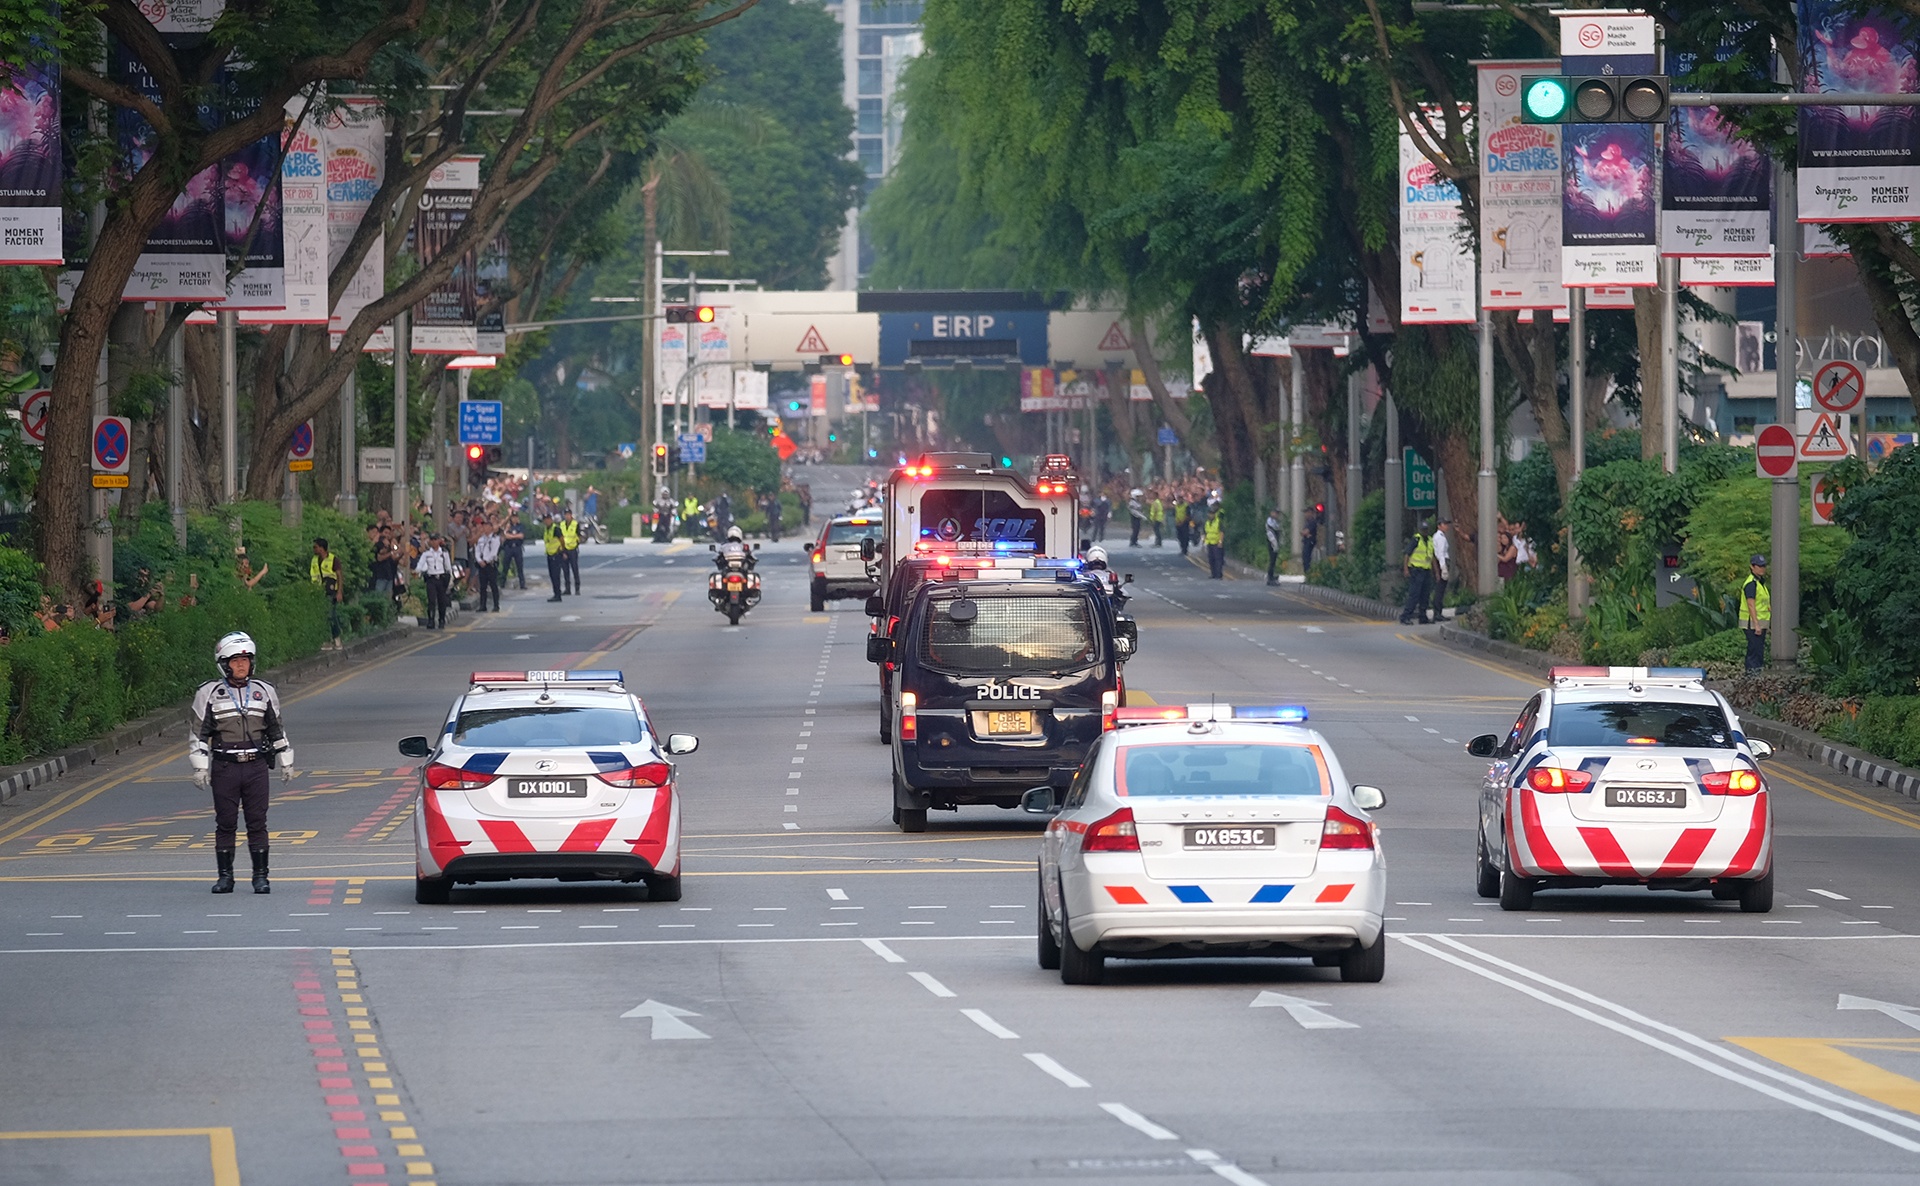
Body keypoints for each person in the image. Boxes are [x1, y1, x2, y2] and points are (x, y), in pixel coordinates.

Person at [189, 631, 294, 894]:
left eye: (245, 660)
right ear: (223, 663)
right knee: (225, 822)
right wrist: (200, 766)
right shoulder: (209, 692)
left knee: (257, 821)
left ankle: (261, 877)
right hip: (225, 767)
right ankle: (226, 877)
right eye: (235, 660)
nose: (240, 665)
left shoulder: (264, 691)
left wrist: (286, 760)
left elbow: (276, 729)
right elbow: (198, 732)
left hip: (256, 766)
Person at [310, 538, 344, 651]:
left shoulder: (333, 559)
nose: (314, 549)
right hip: (319, 591)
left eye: (315, 547)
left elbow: (339, 576)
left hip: (331, 591)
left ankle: (337, 638)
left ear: (321, 548)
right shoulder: (314, 560)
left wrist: (339, 591)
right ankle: (328, 640)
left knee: (331, 615)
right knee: (323, 616)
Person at [415, 532, 453, 629]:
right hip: (431, 578)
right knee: (431, 600)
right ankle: (431, 620)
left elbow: (448, 567)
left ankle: (441, 620)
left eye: (435, 540)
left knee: (442, 600)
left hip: (441, 578)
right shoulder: (426, 554)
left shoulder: (444, 553)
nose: (434, 542)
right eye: (432, 540)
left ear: (439, 541)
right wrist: (417, 571)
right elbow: (420, 564)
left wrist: (450, 580)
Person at [1401, 519, 1435, 625]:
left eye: (1426, 529)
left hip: (1426, 571)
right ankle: (1405, 616)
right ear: (1420, 530)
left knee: (1425, 595)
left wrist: (1436, 572)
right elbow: (1407, 554)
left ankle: (1423, 617)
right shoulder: (1416, 540)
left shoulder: (1430, 540)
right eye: (1423, 529)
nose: (1425, 531)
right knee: (1414, 595)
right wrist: (1406, 569)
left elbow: (1432, 557)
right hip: (1416, 571)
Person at [1742, 554, 1771, 672]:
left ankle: (1756, 676)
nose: (1762, 568)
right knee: (1754, 651)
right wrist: (1756, 625)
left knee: (1758, 651)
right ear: (1752, 567)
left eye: (1763, 566)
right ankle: (1752, 677)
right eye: (1759, 566)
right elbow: (1751, 605)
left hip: (1760, 622)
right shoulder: (1751, 583)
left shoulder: (1760, 583)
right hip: (1752, 623)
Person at [472, 517, 502, 612]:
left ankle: (496, 605)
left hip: (490, 564)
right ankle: (482, 605)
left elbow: (494, 553)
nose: (485, 528)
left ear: (491, 528)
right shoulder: (481, 539)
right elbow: (477, 551)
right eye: (484, 526)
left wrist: (486, 561)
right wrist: (479, 560)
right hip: (481, 565)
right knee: (483, 586)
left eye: (487, 527)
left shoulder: (495, 539)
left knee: (493, 585)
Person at [1429, 516, 1451, 623]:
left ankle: (1438, 612)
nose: (1446, 526)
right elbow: (1440, 554)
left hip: (1440, 563)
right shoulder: (1440, 537)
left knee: (1440, 589)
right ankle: (1437, 613)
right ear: (1439, 526)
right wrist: (1443, 568)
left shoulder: (1438, 536)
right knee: (1440, 590)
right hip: (1441, 563)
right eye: (1444, 524)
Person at [559, 506, 582, 594]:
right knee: (565, 570)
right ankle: (567, 589)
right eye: (566, 515)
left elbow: (579, 536)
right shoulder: (561, 525)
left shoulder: (575, 524)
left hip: (573, 550)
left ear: (571, 515)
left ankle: (577, 588)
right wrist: (562, 551)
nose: (567, 516)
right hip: (564, 549)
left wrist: (576, 544)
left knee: (575, 569)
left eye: (569, 515)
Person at [543, 514, 567, 602]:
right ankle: (556, 593)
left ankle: (558, 594)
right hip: (550, 555)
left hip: (556, 555)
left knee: (556, 576)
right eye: (545, 520)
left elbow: (562, 540)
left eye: (548, 519)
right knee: (552, 576)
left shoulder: (556, 529)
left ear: (551, 520)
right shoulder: (547, 529)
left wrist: (563, 551)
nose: (546, 521)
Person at [502, 512, 527, 590]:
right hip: (509, 548)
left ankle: (522, 584)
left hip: (517, 547)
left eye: (516, 517)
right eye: (513, 517)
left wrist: (512, 536)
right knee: (506, 566)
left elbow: (521, 536)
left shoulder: (521, 526)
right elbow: (505, 535)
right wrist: (515, 536)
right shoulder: (508, 526)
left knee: (519, 566)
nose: (514, 519)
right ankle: (502, 583)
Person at [1203, 507, 1226, 578]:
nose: (1211, 515)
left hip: (1216, 543)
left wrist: (1220, 542)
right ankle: (1213, 574)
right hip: (1209, 542)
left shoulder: (1218, 522)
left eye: (1212, 513)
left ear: (1215, 514)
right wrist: (1204, 541)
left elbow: (1222, 532)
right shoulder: (1207, 522)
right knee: (1211, 559)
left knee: (1218, 559)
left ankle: (1219, 574)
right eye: (1210, 513)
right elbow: (1205, 532)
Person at [1265, 507, 1283, 585]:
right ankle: (1270, 577)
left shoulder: (1275, 521)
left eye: (1277, 513)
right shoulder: (1270, 521)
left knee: (1274, 560)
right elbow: (1271, 534)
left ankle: (1272, 575)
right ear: (1271, 513)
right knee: (1272, 560)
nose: (1276, 515)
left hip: (1275, 543)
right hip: (1272, 543)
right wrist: (1274, 544)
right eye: (1275, 513)